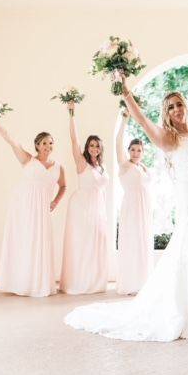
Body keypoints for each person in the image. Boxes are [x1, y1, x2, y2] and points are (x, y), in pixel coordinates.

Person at [64, 75, 188, 341]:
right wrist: (125, 90)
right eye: (170, 107)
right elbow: (143, 120)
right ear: (166, 113)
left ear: (186, 106)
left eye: (179, 104)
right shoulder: (169, 138)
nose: (177, 109)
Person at [0, 117, 65, 297]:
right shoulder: (28, 160)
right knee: (26, 241)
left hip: (43, 210)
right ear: (37, 145)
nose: (48, 146)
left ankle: (39, 283)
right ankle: (21, 282)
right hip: (24, 207)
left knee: (41, 242)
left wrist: (55, 201)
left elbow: (63, 186)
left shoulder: (58, 167)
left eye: (51, 143)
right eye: (44, 143)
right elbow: (11, 140)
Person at [60, 102, 109, 295]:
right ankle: (79, 281)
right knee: (82, 242)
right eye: (91, 145)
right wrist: (71, 114)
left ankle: (93, 281)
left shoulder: (101, 167)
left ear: (100, 148)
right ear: (87, 148)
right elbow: (74, 141)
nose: (94, 148)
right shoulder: (82, 162)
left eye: (97, 146)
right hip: (82, 206)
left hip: (97, 207)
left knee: (95, 242)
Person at [115, 112, 153, 295]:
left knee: (142, 241)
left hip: (144, 208)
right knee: (131, 241)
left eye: (139, 150)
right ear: (128, 150)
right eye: (132, 149)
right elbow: (117, 142)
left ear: (143, 152)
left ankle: (143, 282)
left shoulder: (143, 167)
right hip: (131, 207)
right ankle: (130, 283)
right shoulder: (125, 165)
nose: (135, 153)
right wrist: (124, 121)